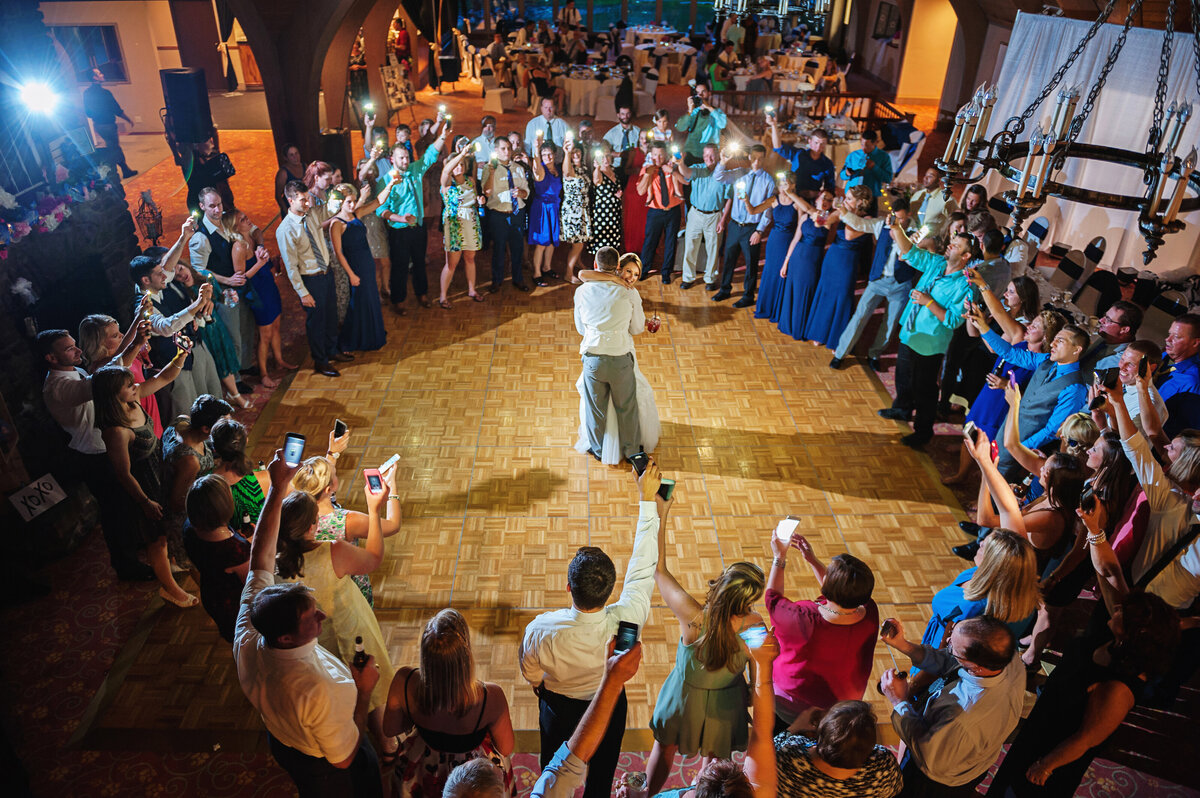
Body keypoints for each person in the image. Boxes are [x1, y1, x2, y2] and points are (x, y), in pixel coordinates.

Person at [234, 448, 382, 797]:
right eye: (310, 617)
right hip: (330, 771)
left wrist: (277, 487)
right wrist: (362, 692)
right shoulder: (320, 688)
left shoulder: (249, 629)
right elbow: (345, 758)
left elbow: (261, 556)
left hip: (283, 740)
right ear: (286, 638)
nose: (321, 614)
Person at [519, 463, 663, 798]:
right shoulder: (627, 617)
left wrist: (542, 687)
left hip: (558, 706)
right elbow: (644, 562)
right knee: (602, 773)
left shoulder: (540, 629)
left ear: (568, 587)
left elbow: (531, 672)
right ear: (611, 590)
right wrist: (647, 501)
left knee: (553, 765)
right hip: (609, 704)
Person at [987, 587, 1179, 796]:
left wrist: (1045, 766)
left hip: (1052, 748)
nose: (1115, 607)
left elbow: (1086, 738)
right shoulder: (1113, 641)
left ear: (1135, 631)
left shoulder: (1119, 688)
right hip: (1043, 724)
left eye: (1122, 611)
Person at [277, 488, 398, 765]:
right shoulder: (333, 550)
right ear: (312, 526)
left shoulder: (275, 558)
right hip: (349, 627)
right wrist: (375, 510)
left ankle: (342, 729)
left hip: (315, 641)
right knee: (368, 677)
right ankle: (385, 743)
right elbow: (373, 559)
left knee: (333, 686)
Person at [646, 533, 766, 798]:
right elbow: (759, 680)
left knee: (664, 747)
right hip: (726, 705)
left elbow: (658, 569)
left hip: (683, 697)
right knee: (715, 764)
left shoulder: (693, 616)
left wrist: (662, 514)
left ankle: (646, 794)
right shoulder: (756, 625)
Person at [40, 326, 155, 580]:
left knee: (125, 505)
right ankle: (126, 567)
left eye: (74, 344)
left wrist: (135, 337)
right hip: (93, 454)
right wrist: (135, 344)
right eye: (69, 348)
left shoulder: (75, 371)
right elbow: (106, 379)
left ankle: (136, 547)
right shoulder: (58, 387)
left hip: (105, 446)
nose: (78, 349)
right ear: (51, 358)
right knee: (115, 511)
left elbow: (110, 371)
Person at [881, 615, 1025, 796]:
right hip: (970, 755)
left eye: (953, 647)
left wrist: (899, 701)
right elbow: (950, 661)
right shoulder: (1006, 657)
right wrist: (903, 645)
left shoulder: (961, 717)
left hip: (937, 778)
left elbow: (925, 749)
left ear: (975, 666)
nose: (947, 640)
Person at [93, 359, 197, 608]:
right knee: (156, 539)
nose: (135, 386)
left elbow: (163, 377)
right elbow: (124, 474)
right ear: (112, 394)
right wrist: (145, 502)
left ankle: (171, 563)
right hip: (144, 487)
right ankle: (171, 589)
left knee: (168, 528)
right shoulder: (116, 431)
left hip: (160, 475)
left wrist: (180, 355)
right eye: (129, 385)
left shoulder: (133, 399)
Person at [383, 609, 515, 796]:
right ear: (466, 654)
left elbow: (390, 729)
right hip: (473, 778)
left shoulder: (404, 681)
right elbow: (506, 747)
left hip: (424, 767)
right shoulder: (490, 696)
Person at [766, 530, 879, 731]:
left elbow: (772, 598)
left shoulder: (801, 618)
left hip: (793, 707)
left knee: (780, 747)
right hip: (840, 712)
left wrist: (779, 557)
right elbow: (842, 595)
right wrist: (812, 560)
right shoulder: (869, 612)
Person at [877, 224, 976, 449]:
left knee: (924, 389)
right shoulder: (937, 263)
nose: (950, 245)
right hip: (910, 331)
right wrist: (896, 228)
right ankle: (902, 409)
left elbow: (953, 320)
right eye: (953, 241)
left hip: (930, 344)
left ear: (966, 255)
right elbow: (910, 252)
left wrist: (927, 301)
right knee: (903, 376)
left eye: (956, 245)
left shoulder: (966, 286)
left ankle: (923, 433)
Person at [943, 309, 1064, 486]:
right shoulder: (1020, 345)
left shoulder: (1042, 364)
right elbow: (996, 347)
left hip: (1001, 409)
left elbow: (1033, 399)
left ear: (1046, 336)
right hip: (986, 399)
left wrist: (1005, 385)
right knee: (969, 434)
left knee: (991, 453)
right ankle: (961, 475)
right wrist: (978, 322)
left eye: (1035, 326)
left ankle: (984, 495)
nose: (1028, 327)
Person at [290, 435, 402, 608]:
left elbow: (318, 483)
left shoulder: (293, 515)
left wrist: (332, 454)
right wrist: (391, 484)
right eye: (334, 474)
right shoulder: (348, 521)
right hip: (350, 595)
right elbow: (393, 524)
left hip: (318, 592)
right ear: (329, 489)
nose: (336, 473)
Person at [975, 312, 1089, 478]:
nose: (1053, 344)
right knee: (990, 468)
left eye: (1061, 341)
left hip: (1024, 443)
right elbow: (1010, 354)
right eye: (1055, 338)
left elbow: (1053, 430)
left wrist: (1020, 447)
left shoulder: (1075, 388)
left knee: (1000, 479)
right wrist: (983, 327)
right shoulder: (1045, 361)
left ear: (1076, 349)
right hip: (1008, 428)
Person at [573, 254, 661, 465]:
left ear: (595, 264)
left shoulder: (581, 291)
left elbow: (579, 328)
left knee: (596, 408)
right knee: (626, 407)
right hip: (620, 358)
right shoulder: (629, 293)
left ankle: (598, 449)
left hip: (593, 359)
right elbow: (638, 328)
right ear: (618, 266)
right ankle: (632, 451)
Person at [829, 196, 915, 370]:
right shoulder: (881, 224)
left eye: (902, 218)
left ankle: (874, 354)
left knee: (890, 325)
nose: (897, 221)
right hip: (878, 280)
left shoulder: (917, 232)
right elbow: (860, 224)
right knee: (859, 317)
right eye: (895, 217)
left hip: (900, 284)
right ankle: (840, 354)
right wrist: (843, 211)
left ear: (909, 215)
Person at [277, 180, 349, 377]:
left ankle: (332, 350)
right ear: (290, 200)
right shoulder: (285, 229)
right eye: (302, 200)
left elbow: (331, 209)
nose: (307, 203)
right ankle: (321, 360)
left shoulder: (313, 214)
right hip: (311, 280)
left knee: (331, 316)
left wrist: (338, 194)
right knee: (316, 323)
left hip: (326, 273)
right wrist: (303, 293)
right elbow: (291, 267)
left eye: (308, 198)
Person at [378, 122, 449, 313]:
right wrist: (400, 218)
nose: (405, 160)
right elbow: (381, 210)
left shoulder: (415, 169)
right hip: (398, 230)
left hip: (418, 227)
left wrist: (443, 136)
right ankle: (398, 300)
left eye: (407, 157)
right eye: (401, 158)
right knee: (400, 266)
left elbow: (430, 155)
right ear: (392, 159)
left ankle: (422, 294)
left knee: (419, 262)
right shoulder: (385, 180)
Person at [190, 188, 258, 379]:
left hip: (240, 288)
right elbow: (199, 271)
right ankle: (235, 379)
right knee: (232, 335)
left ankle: (244, 365)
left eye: (219, 204)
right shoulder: (200, 237)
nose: (218, 209)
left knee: (246, 327)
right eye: (212, 206)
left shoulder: (226, 222)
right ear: (202, 206)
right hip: (223, 292)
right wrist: (226, 280)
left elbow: (250, 229)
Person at [222, 209, 294, 387]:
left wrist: (269, 260)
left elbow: (258, 233)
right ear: (235, 227)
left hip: (268, 286)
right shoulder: (238, 247)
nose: (248, 220)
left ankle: (279, 360)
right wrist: (261, 263)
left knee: (276, 325)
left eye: (246, 217)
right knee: (265, 334)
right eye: (243, 219)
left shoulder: (252, 239)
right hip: (257, 293)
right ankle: (263, 374)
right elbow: (241, 278)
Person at [774, 701, 903, 798]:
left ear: (819, 733)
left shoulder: (789, 755)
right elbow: (894, 790)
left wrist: (794, 727)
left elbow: (768, 752)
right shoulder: (883, 764)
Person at [162, 394, 232, 567]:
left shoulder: (182, 421)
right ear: (206, 429)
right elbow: (177, 503)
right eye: (222, 425)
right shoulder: (190, 461)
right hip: (185, 517)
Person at [801, 186, 875, 347]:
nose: (845, 201)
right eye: (845, 198)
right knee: (826, 293)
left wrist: (843, 212)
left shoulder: (869, 220)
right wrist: (820, 213)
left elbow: (849, 235)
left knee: (842, 296)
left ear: (860, 202)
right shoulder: (842, 213)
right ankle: (819, 332)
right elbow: (822, 223)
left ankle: (837, 339)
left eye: (849, 198)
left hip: (848, 261)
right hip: (833, 257)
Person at [184, 474, 251, 642]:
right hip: (235, 606)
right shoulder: (235, 550)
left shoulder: (189, 528)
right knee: (244, 639)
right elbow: (252, 582)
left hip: (212, 594)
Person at [77, 311, 163, 437]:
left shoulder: (125, 352)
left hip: (151, 410)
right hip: (136, 420)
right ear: (99, 343)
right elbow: (121, 360)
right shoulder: (102, 368)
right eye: (115, 335)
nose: (122, 335)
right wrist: (137, 342)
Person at [713, 144, 776, 308]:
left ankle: (748, 296)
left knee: (751, 263)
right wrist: (722, 162)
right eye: (754, 158)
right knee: (728, 260)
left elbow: (767, 210)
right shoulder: (740, 173)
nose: (757, 161)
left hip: (751, 228)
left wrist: (759, 231)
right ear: (749, 157)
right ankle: (725, 289)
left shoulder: (768, 180)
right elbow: (718, 178)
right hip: (735, 225)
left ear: (764, 159)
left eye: (760, 158)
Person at [326, 184, 388, 350]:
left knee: (370, 299)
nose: (353, 205)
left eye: (354, 201)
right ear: (340, 203)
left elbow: (378, 201)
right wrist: (351, 275)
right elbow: (339, 253)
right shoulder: (336, 224)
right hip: (355, 267)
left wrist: (390, 184)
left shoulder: (356, 214)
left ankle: (372, 334)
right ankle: (354, 339)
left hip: (367, 263)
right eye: (349, 202)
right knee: (359, 302)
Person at [743, 171, 810, 321]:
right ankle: (766, 307)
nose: (782, 187)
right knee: (771, 272)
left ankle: (778, 310)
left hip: (788, 242)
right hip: (774, 241)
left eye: (785, 183)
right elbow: (753, 211)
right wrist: (746, 200)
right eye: (780, 184)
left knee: (783, 274)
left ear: (793, 185)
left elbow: (802, 223)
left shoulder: (797, 203)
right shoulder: (774, 200)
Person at [776, 191, 834, 340]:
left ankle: (799, 327)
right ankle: (787, 324)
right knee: (792, 289)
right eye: (823, 198)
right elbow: (795, 239)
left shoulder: (828, 219)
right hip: (797, 257)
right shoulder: (804, 217)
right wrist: (786, 262)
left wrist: (791, 192)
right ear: (817, 200)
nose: (825, 201)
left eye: (829, 200)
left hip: (812, 259)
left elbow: (817, 218)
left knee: (805, 290)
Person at [437, 141, 486, 307]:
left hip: (470, 223)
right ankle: (443, 296)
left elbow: (475, 199)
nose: (459, 167)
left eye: (462, 165)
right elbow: (445, 171)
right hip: (454, 225)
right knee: (451, 263)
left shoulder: (470, 180)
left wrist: (480, 200)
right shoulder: (447, 184)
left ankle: (472, 290)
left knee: (470, 258)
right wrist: (461, 154)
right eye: (456, 165)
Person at [481, 137, 532, 293]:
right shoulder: (490, 168)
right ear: (496, 150)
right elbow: (487, 192)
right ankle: (497, 280)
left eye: (509, 148)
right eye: (503, 148)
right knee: (499, 248)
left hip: (517, 212)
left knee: (517, 248)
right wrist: (491, 173)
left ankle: (518, 278)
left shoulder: (518, 168)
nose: (507, 151)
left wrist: (521, 193)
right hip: (499, 214)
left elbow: (526, 192)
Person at [637, 142, 685, 284]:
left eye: (661, 154)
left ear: (666, 154)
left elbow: (686, 181)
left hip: (673, 211)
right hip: (655, 212)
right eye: (655, 154)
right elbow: (640, 191)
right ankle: (644, 269)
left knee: (671, 242)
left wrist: (672, 170)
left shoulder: (673, 166)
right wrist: (647, 175)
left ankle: (666, 272)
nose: (658, 157)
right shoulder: (647, 168)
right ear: (651, 155)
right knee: (650, 242)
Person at [210, 417, 263, 533]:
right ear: (247, 441)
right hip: (263, 544)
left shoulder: (207, 484)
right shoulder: (265, 478)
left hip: (229, 546)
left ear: (214, 448)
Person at [84, 68, 137, 178]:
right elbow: (116, 109)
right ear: (95, 77)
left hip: (98, 125)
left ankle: (124, 169)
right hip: (108, 124)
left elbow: (88, 113)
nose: (102, 74)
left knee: (112, 147)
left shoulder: (87, 93)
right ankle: (120, 171)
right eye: (99, 73)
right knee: (114, 148)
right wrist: (129, 120)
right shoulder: (105, 93)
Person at [769, 123, 836, 201]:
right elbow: (778, 147)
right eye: (816, 143)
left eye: (822, 144)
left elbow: (829, 187)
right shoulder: (798, 154)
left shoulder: (827, 164)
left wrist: (822, 197)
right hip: (794, 197)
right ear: (810, 141)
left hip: (814, 200)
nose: (818, 147)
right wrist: (774, 124)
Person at [528, 140, 564, 287]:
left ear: (554, 154)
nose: (547, 157)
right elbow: (535, 167)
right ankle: (536, 273)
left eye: (550, 154)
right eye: (544, 154)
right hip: (542, 209)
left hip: (554, 207)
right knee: (541, 243)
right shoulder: (541, 169)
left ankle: (547, 267)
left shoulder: (557, 168)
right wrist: (536, 150)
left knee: (551, 242)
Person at [560, 138, 593, 283]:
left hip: (583, 209)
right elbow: (567, 174)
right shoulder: (569, 167)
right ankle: (568, 272)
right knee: (577, 243)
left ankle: (578, 263)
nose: (576, 153)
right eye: (573, 152)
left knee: (581, 241)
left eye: (577, 150)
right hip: (573, 212)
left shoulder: (584, 168)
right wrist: (567, 152)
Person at [587, 142, 623, 262]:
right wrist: (597, 167)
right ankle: (599, 272)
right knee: (601, 245)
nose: (605, 159)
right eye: (602, 156)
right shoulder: (598, 172)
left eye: (607, 155)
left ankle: (611, 270)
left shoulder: (613, 170)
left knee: (613, 244)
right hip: (602, 215)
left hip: (614, 213)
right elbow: (596, 181)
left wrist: (619, 194)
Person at [676, 84, 728, 165]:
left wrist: (709, 107)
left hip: (709, 154)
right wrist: (689, 110)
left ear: (709, 93)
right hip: (692, 152)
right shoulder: (693, 112)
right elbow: (680, 127)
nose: (700, 95)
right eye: (697, 93)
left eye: (703, 92)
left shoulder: (716, 111)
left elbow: (723, 124)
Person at [1156, 313, 1200, 402]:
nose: (1167, 339)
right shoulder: (1162, 358)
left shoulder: (1192, 382)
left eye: (1176, 337)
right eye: (1169, 334)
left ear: (1195, 343)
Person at [621, 131, 651, 257]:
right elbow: (625, 170)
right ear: (639, 139)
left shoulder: (653, 151)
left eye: (646, 138)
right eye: (641, 138)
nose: (644, 140)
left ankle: (645, 246)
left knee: (645, 219)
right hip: (633, 188)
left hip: (647, 188)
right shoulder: (634, 152)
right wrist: (636, 170)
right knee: (632, 219)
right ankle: (631, 247)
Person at [908, 167, 958, 237]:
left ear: (939, 180)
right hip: (912, 235)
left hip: (931, 239)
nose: (926, 178)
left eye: (930, 176)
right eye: (925, 175)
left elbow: (955, 221)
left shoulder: (947, 200)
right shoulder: (917, 195)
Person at [275, 144, 305, 215]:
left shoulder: (304, 166)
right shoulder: (283, 173)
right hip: (291, 208)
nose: (295, 157)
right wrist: (287, 212)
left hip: (303, 206)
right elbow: (278, 195)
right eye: (291, 155)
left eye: (296, 153)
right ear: (286, 158)